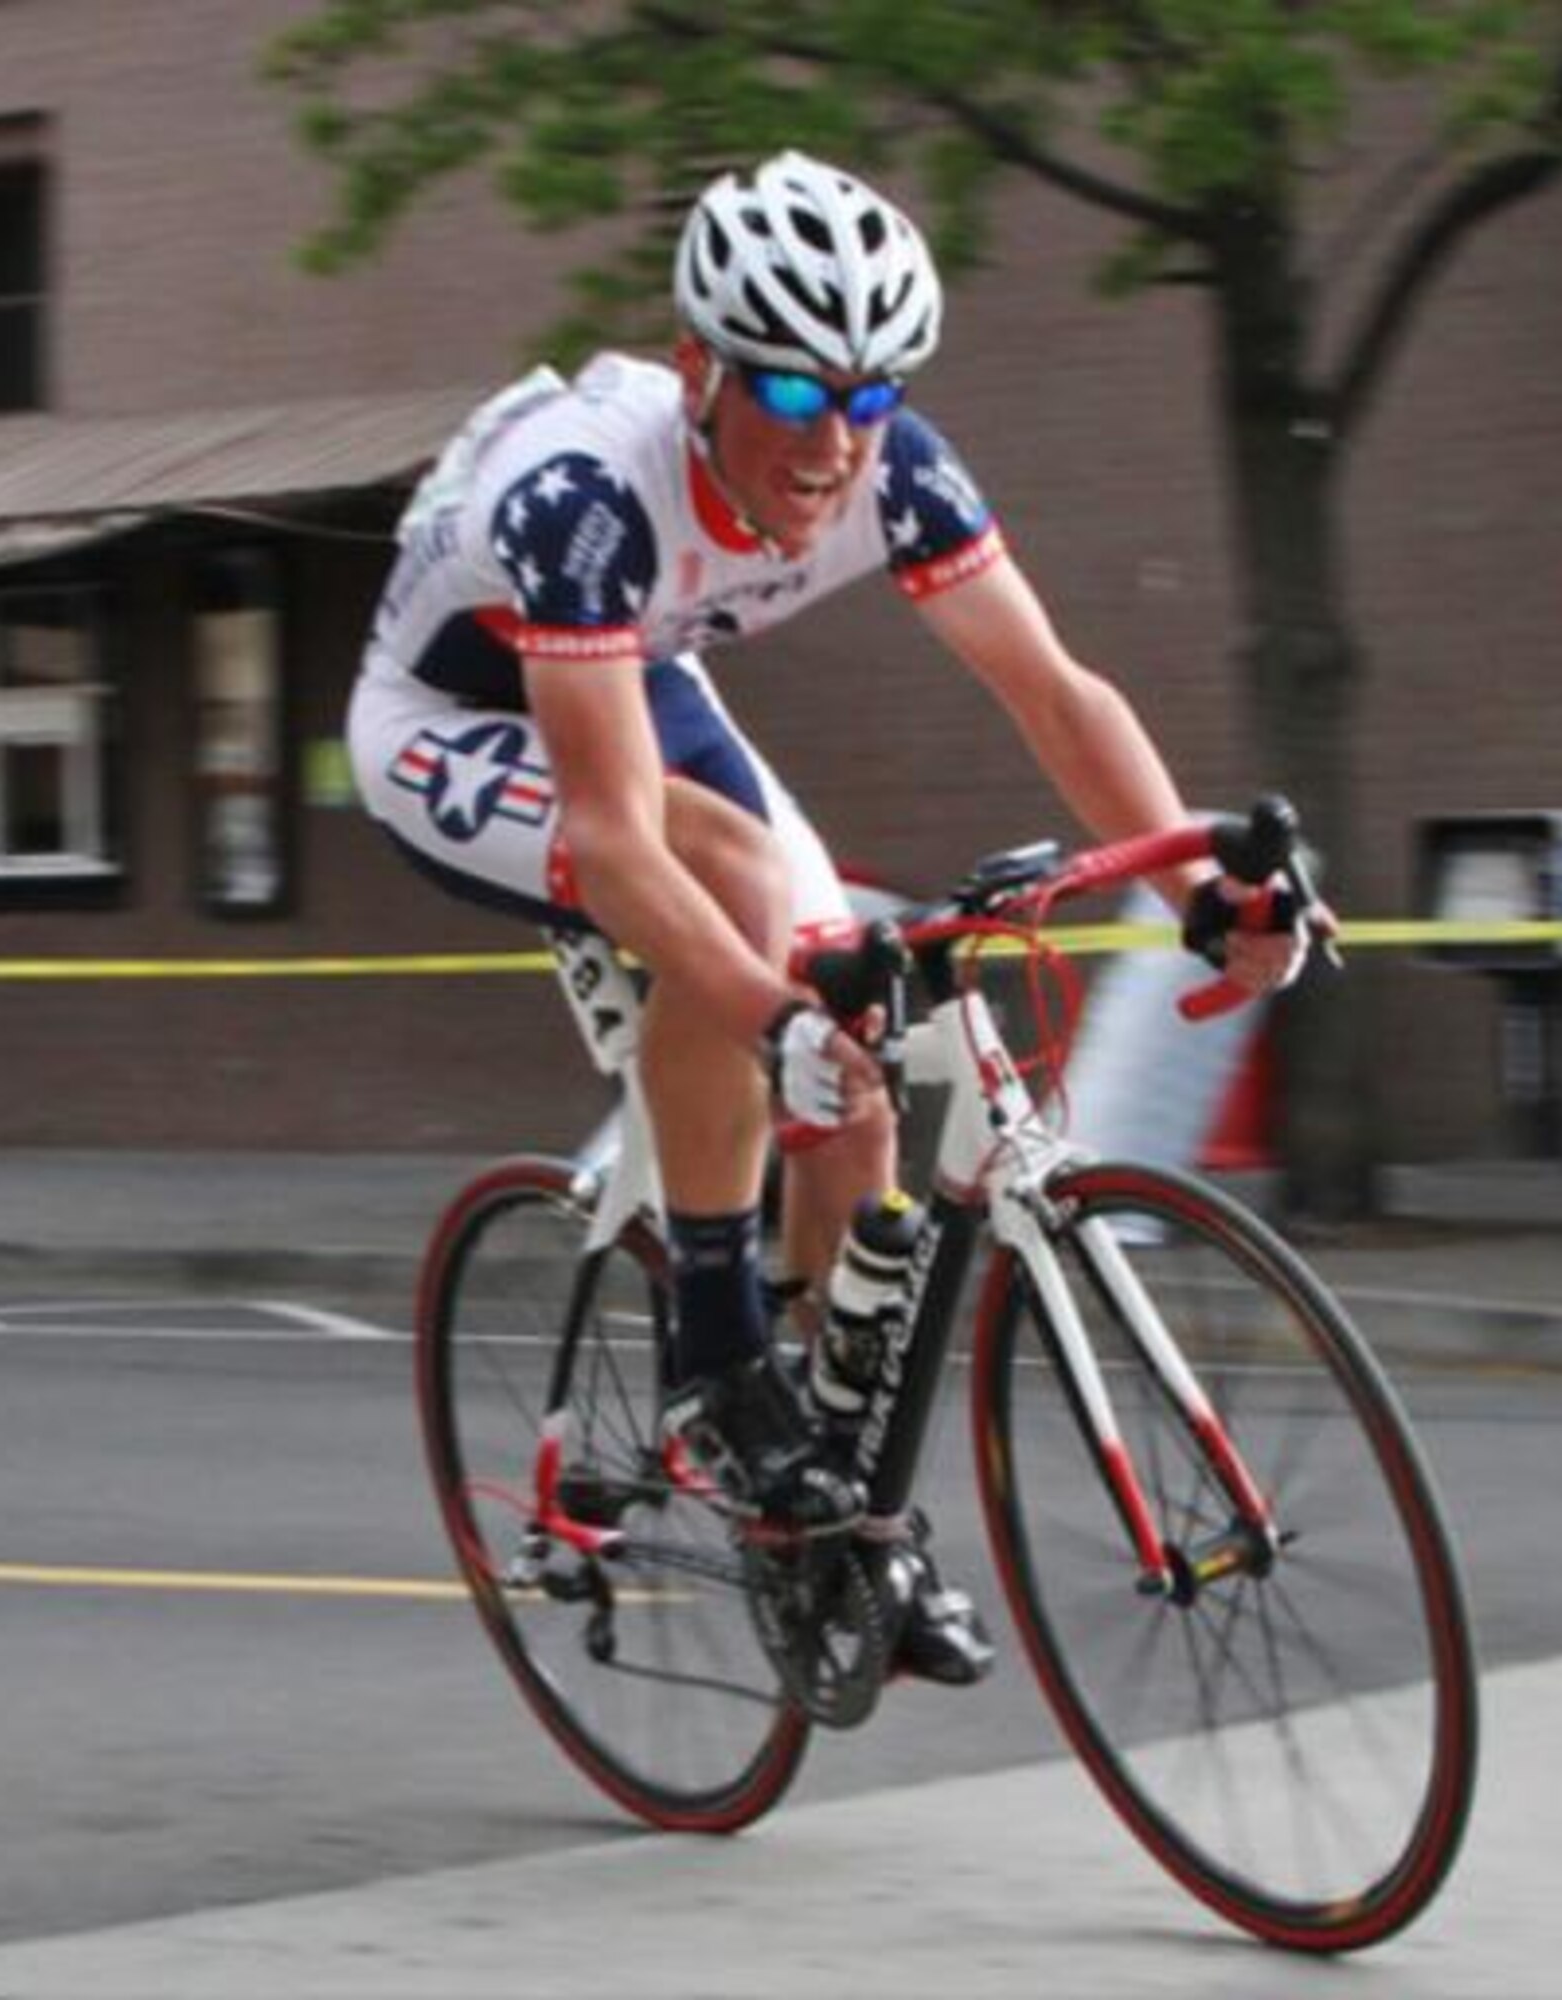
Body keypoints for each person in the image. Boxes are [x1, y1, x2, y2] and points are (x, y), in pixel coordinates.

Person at [349, 151, 1317, 1684]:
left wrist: (1198, 889)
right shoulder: (588, 492)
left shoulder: (898, 467)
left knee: (860, 1058)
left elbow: (1053, 695)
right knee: (741, 919)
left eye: (867, 401)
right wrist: (762, 1012)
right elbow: (612, 840)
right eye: (794, 401)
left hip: (628, 662)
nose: (834, 446)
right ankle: (716, 1362)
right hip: (446, 713)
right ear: (698, 373)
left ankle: (814, 1519)